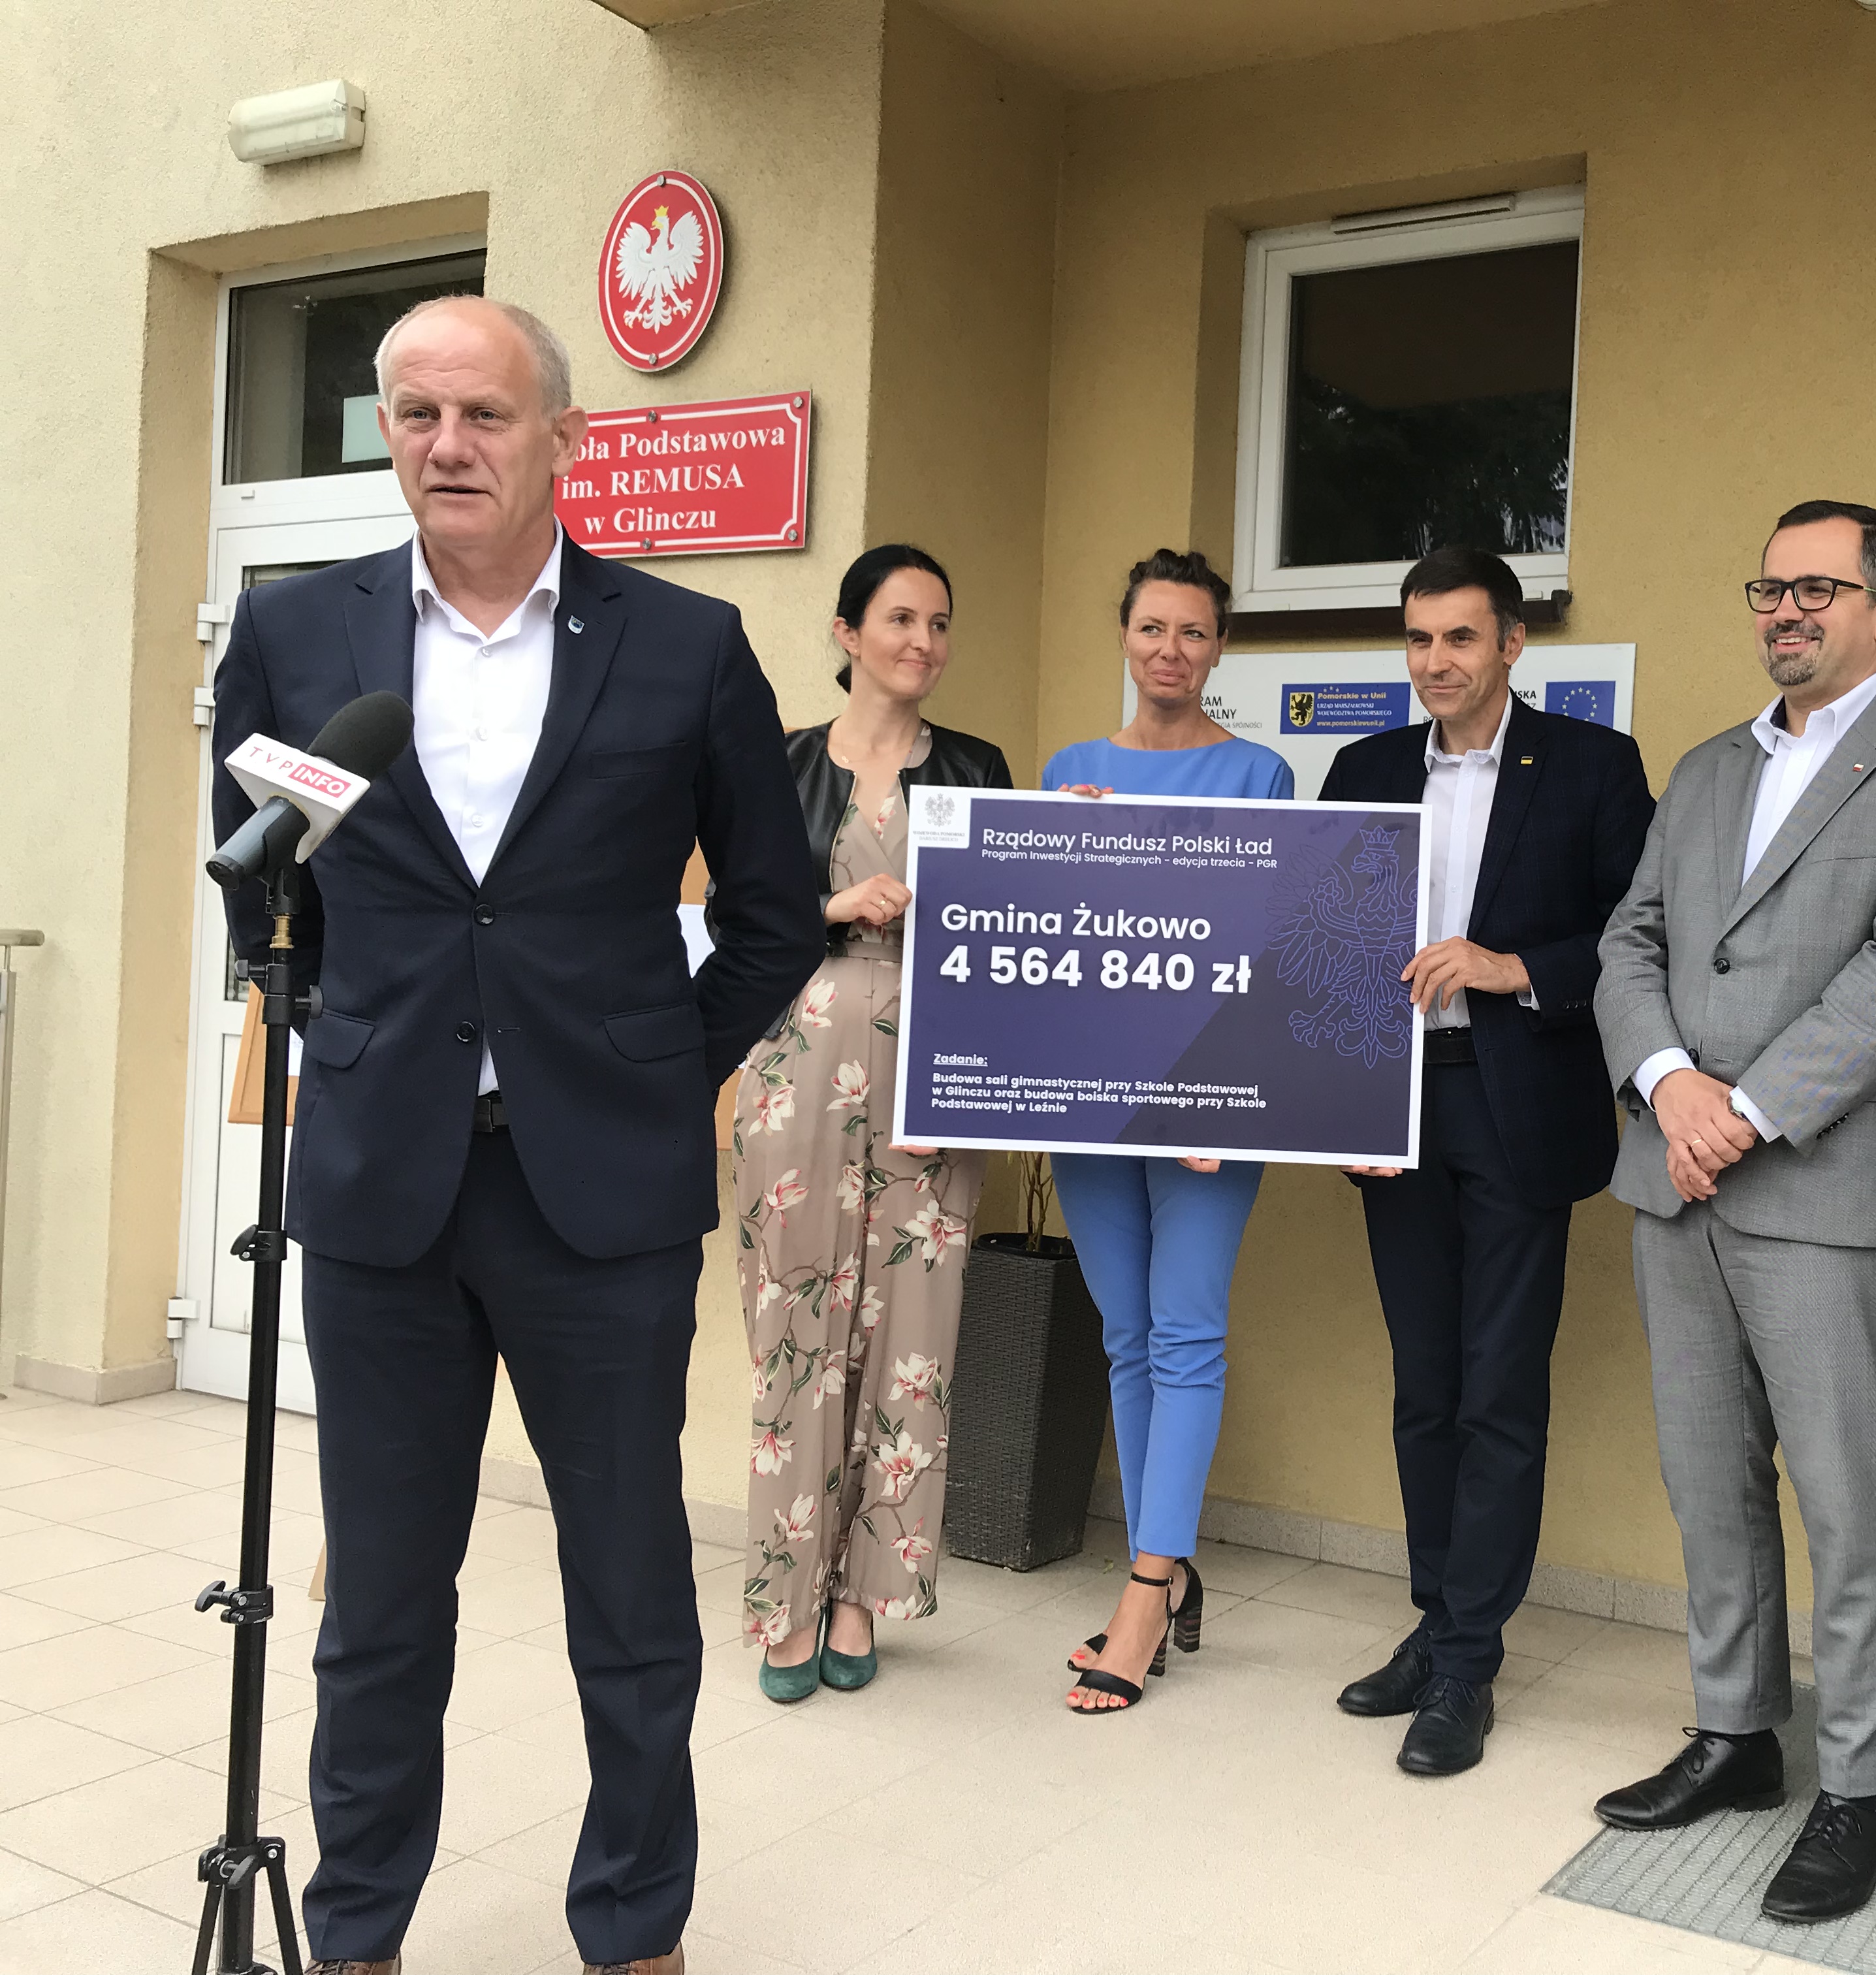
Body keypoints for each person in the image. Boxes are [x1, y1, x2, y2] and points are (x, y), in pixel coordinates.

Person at [210, 296, 823, 1975]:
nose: (446, 445)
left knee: (629, 1591)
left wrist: (657, 1071)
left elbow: (773, 915)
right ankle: (357, 1932)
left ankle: (635, 1926)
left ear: (563, 437)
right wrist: (362, 1046)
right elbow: (262, 885)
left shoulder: (685, 644)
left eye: (483, 414)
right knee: (381, 1601)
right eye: (414, 414)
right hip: (382, 1188)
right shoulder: (296, 632)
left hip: (599, 1197)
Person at [1594, 500, 1876, 1923]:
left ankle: (1861, 1790)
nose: (1785, 610)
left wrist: (1746, 1108)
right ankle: (1736, 1736)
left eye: (1817, 589)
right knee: (1707, 1480)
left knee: (1848, 1502)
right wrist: (1668, 1086)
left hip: (1828, 1188)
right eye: (1769, 588)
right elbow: (1633, 938)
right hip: (1676, 1178)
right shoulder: (1710, 768)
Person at [1316, 547, 1653, 1777]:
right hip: (1394, 1109)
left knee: (1499, 1391)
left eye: (1460, 637)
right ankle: (1435, 1622)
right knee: (1425, 1386)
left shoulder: (1591, 766)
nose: (1436, 662)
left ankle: (1469, 1663)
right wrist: (1343, 1111)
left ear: (1513, 643)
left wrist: (1514, 969)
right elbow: (1318, 943)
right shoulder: (1362, 770)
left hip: (1516, 1105)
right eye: (1419, 639)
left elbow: (1636, 931)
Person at [732, 543, 1012, 1701]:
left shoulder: (980, 767)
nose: (924, 643)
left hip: (936, 1067)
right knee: (796, 1329)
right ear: (848, 634)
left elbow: (1017, 914)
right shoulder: (779, 761)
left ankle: (863, 1597)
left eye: (940, 624)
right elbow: (729, 913)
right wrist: (829, 904)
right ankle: (785, 1602)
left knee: (913, 1337)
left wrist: (1076, 841)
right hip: (797, 1059)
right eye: (901, 619)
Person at [1044, 548, 1294, 1716]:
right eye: (1153, 627)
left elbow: (1269, 951)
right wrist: (1064, 848)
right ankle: (1168, 1565)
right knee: (1128, 1340)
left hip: (1210, 1105)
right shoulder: (1070, 771)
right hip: (1092, 1098)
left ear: (1219, 649)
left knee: (1186, 1333)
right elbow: (1042, 939)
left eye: (1194, 632)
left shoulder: (1260, 774)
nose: (1171, 651)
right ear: (1125, 635)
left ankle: (1145, 1593)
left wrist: (1226, 1093)